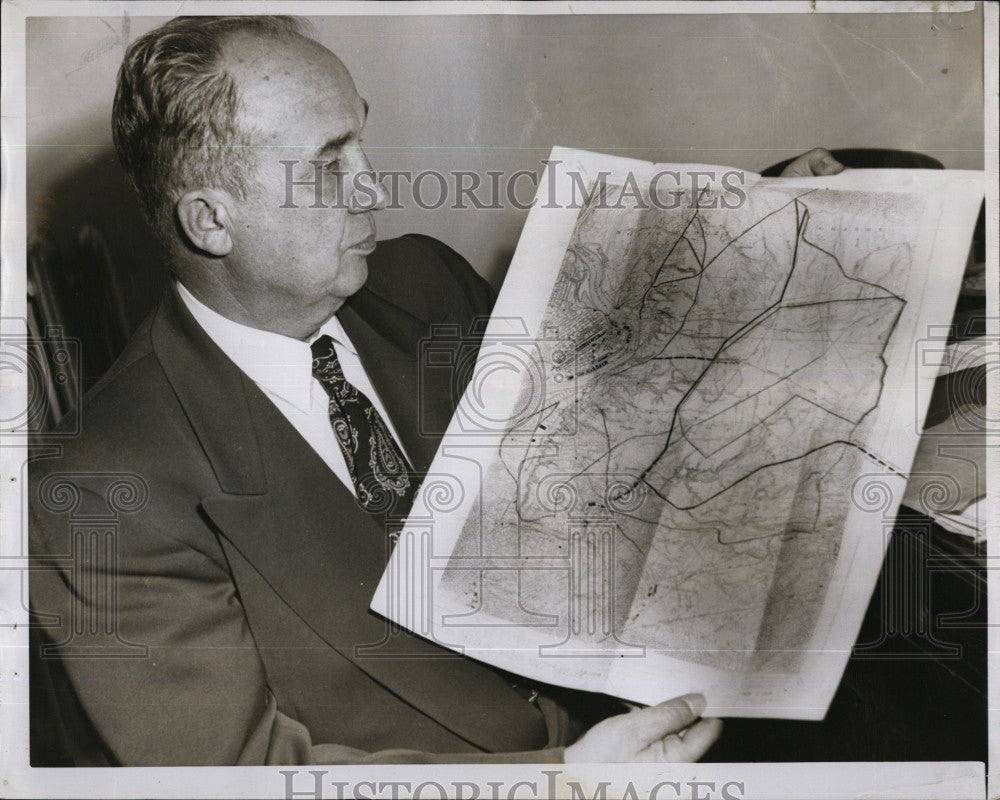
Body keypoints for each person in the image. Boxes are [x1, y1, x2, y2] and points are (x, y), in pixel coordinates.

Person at [28, 15, 843, 767]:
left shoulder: (423, 282)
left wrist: (767, 221)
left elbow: (610, 417)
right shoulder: (103, 489)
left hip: (649, 705)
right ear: (210, 222)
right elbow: (242, 775)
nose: (372, 189)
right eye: (327, 164)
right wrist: (562, 779)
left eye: (362, 144)